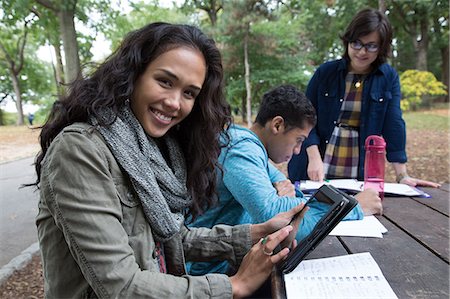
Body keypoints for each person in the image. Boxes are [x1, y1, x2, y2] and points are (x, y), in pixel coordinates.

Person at [33, 22, 307, 298]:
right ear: (133, 75)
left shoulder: (154, 148)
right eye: (165, 81)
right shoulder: (80, 150)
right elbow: (121, 285)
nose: (175, 102)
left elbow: (169, 239)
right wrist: (234, 286)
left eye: (189, 93)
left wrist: (255, 233)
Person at [187, 85, 382, 276]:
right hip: (206, 272)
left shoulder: (244, 141)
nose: (298, 150)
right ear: (277, 125)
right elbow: (276, 220)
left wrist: (280, 192)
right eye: (298, 140)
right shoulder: (242, 149)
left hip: (223, 263)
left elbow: (282, 184)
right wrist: (354, 208)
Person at [287, 8, 440, 188]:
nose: (361, 52)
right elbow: (304, 118)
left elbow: (394, 124)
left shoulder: (388, 77)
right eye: (356, 43)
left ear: (381, 47)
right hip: (314, 165)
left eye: (371, 45)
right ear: (348, 41)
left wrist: (402, 175)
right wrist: (313, 157)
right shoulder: (325, 73)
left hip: (359, 170)